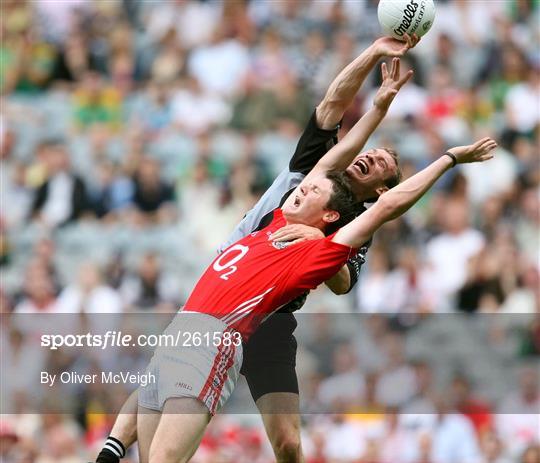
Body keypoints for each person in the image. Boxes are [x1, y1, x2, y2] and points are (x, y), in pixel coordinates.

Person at [96, 35, 419, 463]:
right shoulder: (316, 169)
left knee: (287, 441)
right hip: (237, 272)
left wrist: (323, 242)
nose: (371, 156)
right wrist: (376, 55)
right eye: (373, 151)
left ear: (380, 189)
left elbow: (343, 284)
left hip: (275, 312)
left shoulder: (359, 225)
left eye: (382, 163)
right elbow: (333, 105)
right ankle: (112, 448)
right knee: (178, 363)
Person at [137, 136, 497, 462]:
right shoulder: (279, 217)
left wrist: (448, 158)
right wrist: (376, 101)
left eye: (312, 192)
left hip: (223, 339)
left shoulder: (323, 250)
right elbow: (328, 155)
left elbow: (386, 210)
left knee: (176, 457)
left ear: (330, 214)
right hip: (184, 332)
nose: (301, 189)